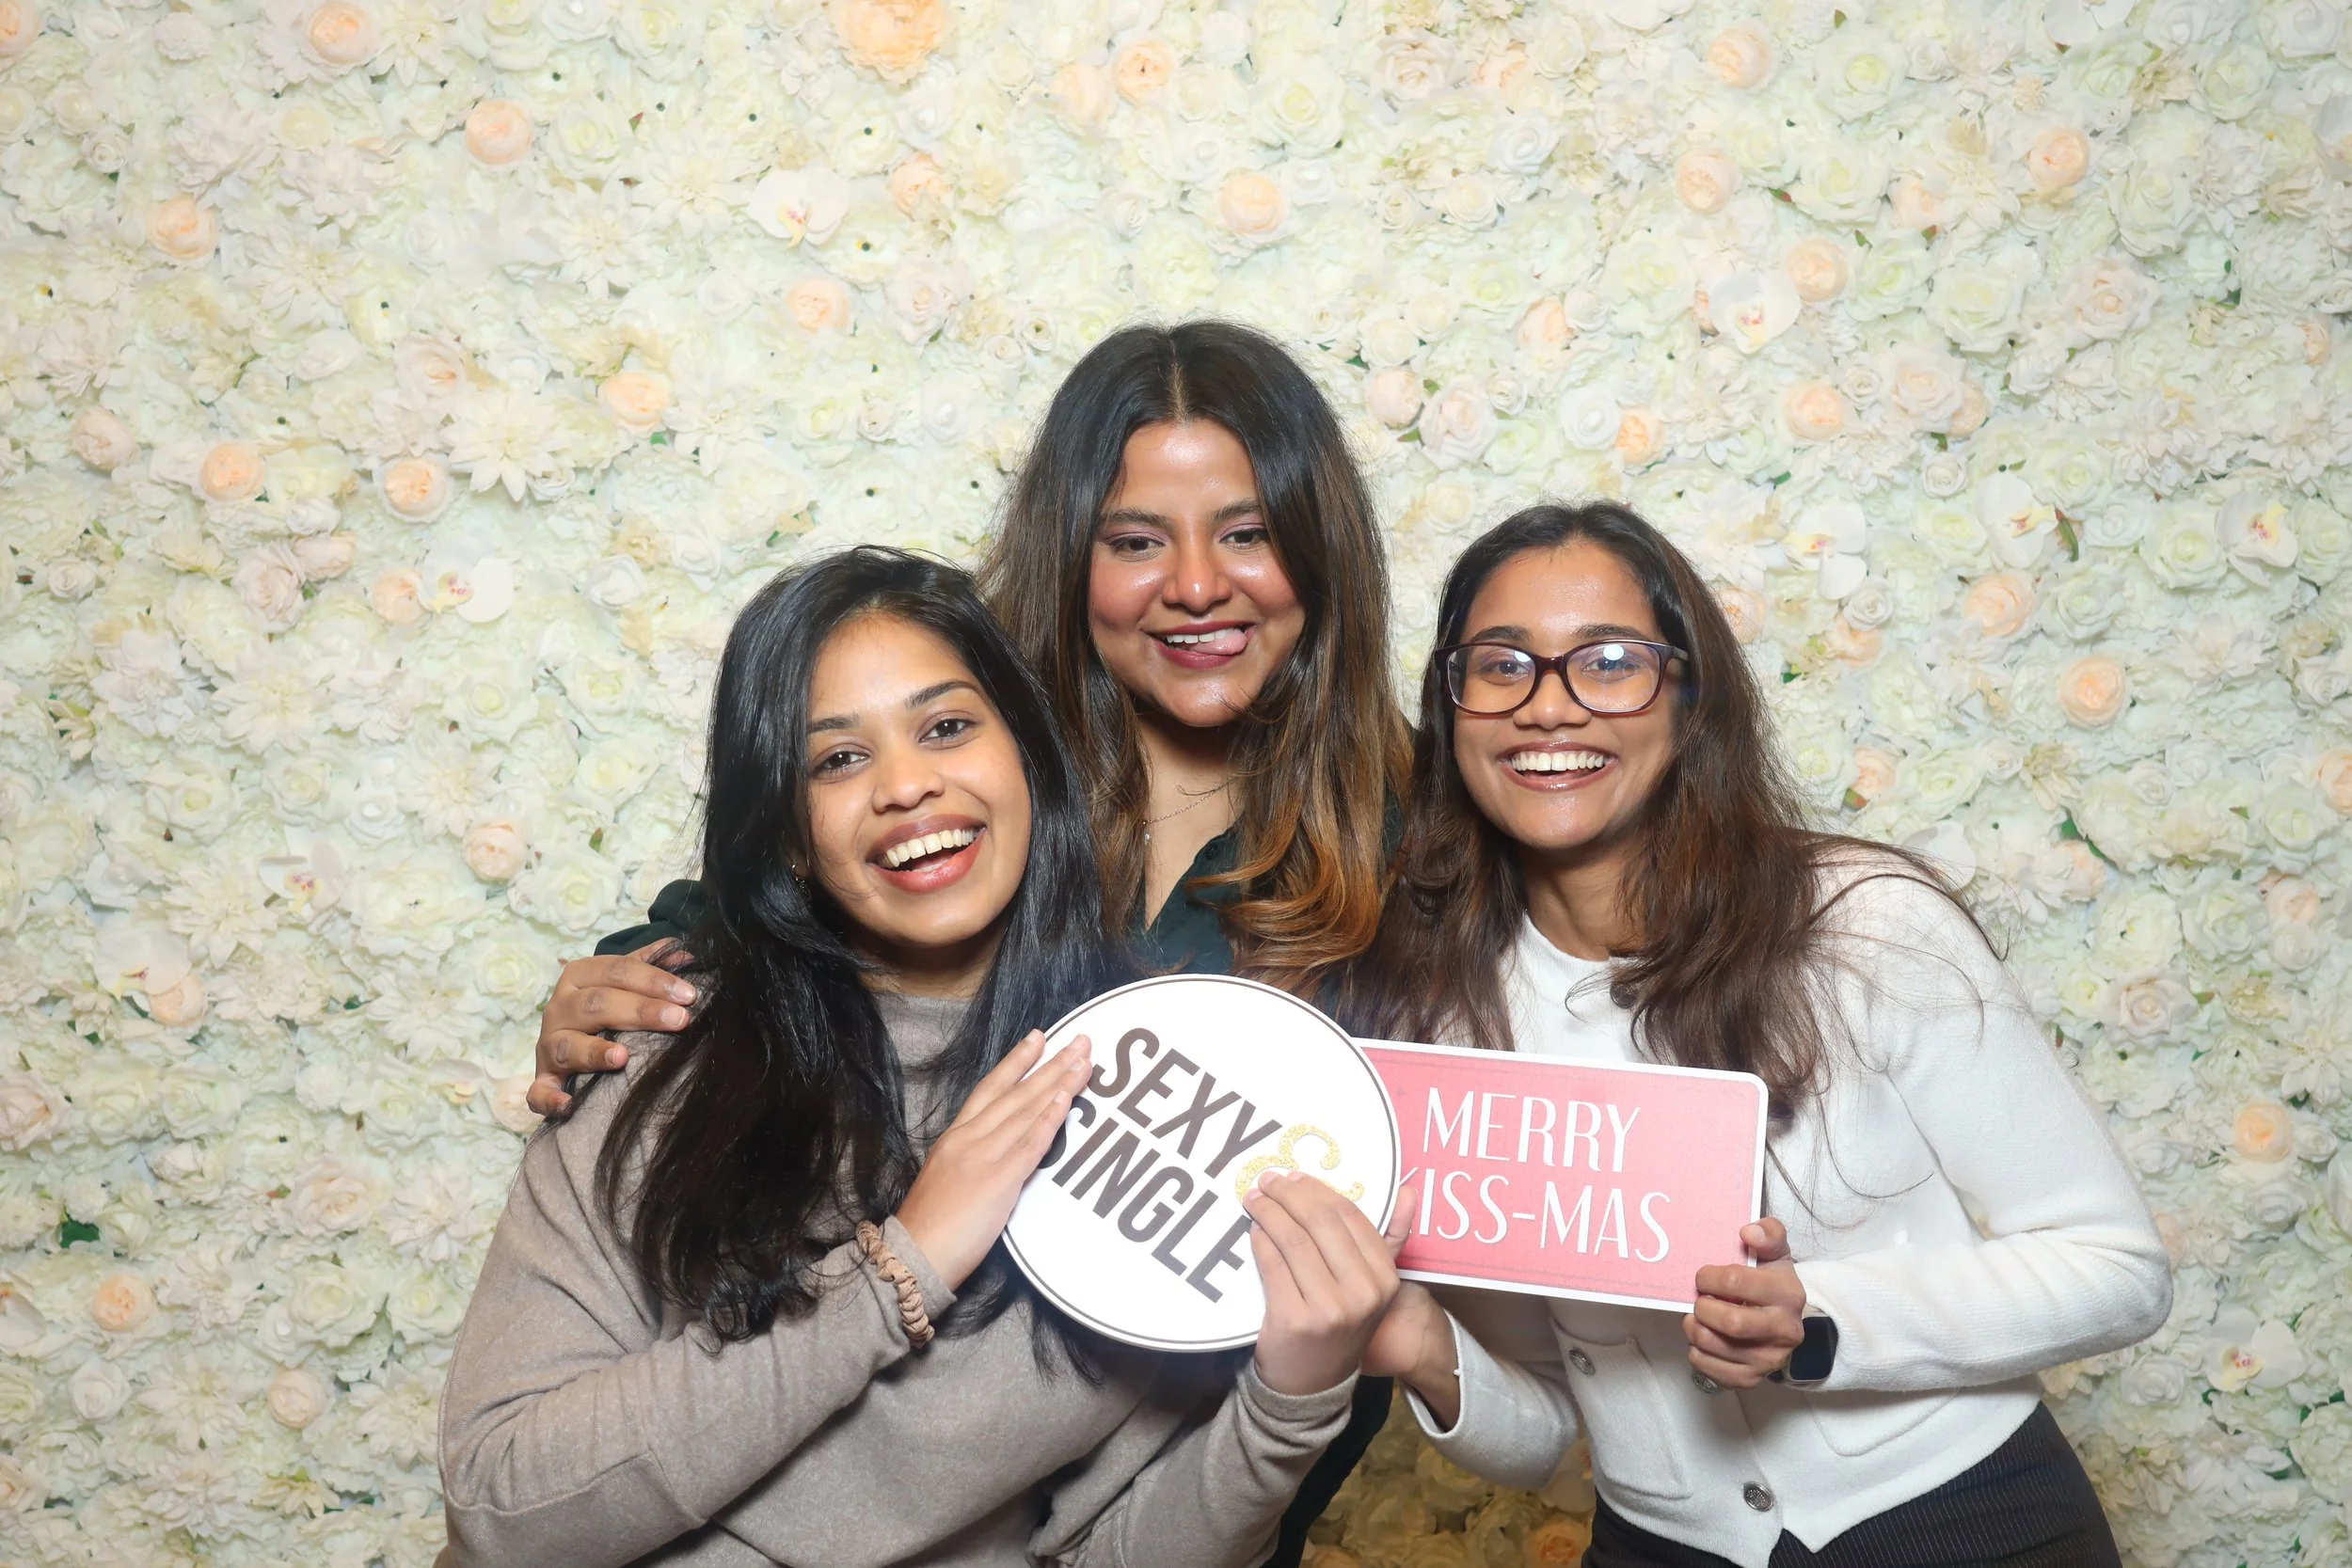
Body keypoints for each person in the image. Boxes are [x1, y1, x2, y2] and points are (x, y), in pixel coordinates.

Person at [516, 322, 1411, 1563]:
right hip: (775, 1445)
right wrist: (626, 982)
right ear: (1071, 556)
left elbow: (1352, 1279)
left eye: (1250, 530)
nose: (1199, 583)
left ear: (1323, 548)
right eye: (1137, 538)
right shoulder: (962, 751)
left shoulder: (1419, 856)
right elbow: (760, 908)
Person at [1333, 503, 2172, 1568]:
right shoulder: (1437, 1020)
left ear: (1688, 697)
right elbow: (1540, 1427)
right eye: (1500, 665)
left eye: (1608, 661)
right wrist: (1413, 1339)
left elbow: (2118, 1267)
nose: (1548, 707)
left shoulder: (1863, 922)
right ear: (1452, 709)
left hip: (1967, 1523)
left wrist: (1816, 1316)